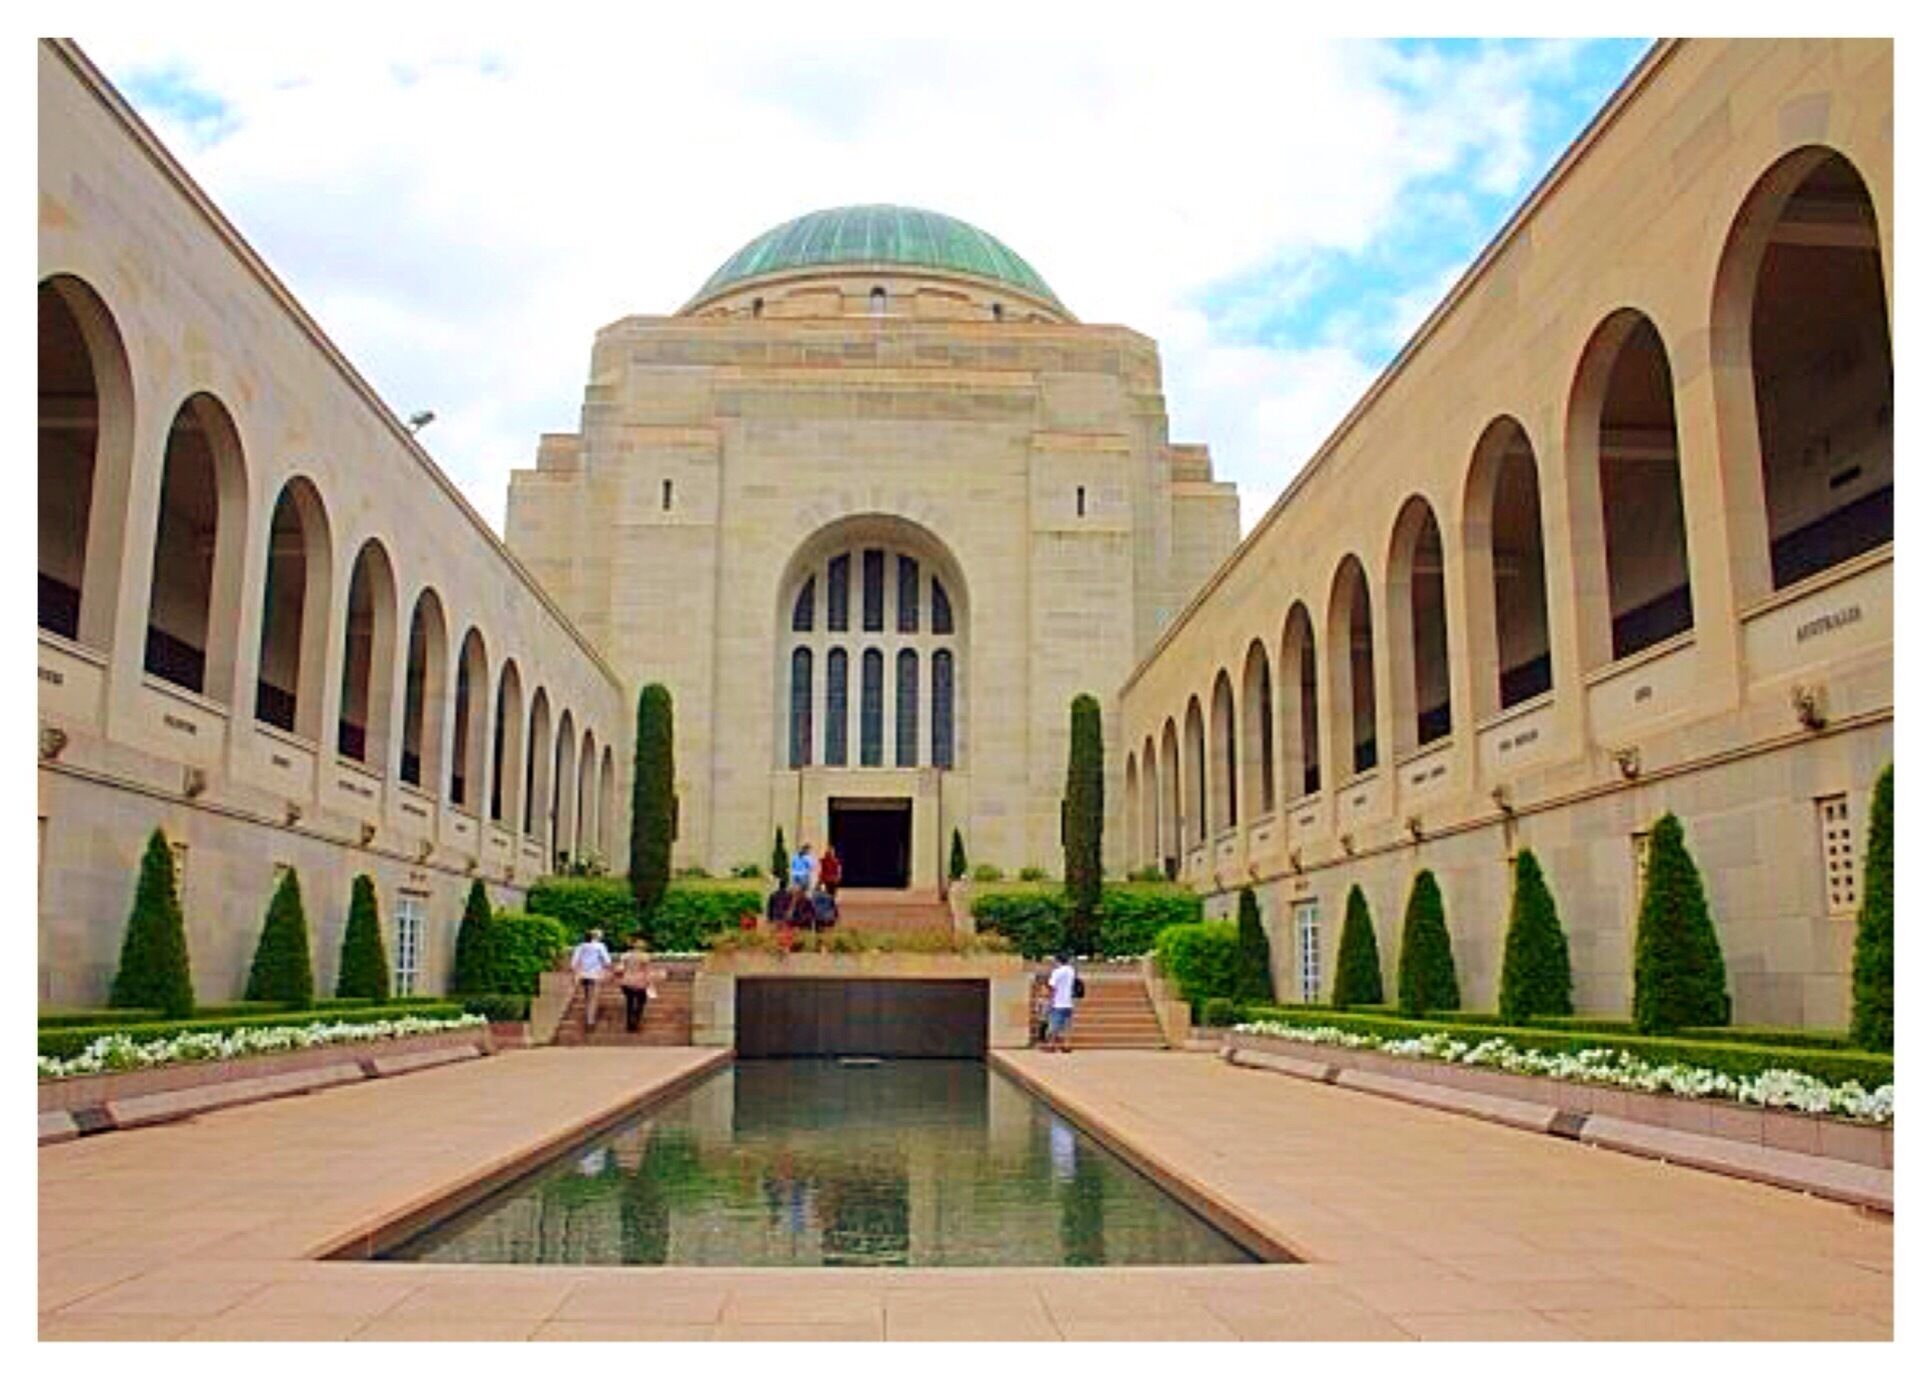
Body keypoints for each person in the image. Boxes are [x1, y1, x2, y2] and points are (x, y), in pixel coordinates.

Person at [570, 927, 613, 1033]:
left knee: (587, 997)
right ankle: (590, 1021)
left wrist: (576, 972)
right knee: (593, 998)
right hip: (595, 974)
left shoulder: (580, 946)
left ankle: (588, 1017)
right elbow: (607, 961)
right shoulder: (600, 946)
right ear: (597, 937)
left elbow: (573, 962)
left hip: (583, 975)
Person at [616, 934, 657, 1034]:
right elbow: (647, 971)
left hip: (627, 981)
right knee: (641, 1002)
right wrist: (650, 983)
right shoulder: (645, 956)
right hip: (640, 982)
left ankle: (629, 1023)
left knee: (629, 1002)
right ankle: (636, 1021)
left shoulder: (625, 955)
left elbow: (620, 968)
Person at [1045, 951, 1078, 1052]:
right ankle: (1066, 1045)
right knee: (1067, 1026)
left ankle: (1051, 1046)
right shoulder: (1071, 970)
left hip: (1058, 1002)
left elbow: (1052, 986)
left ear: (1058, 960)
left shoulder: (1057, 971)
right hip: (1068, 1002)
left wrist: (1050, 1000)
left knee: (1054, 1026)